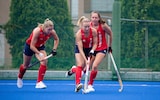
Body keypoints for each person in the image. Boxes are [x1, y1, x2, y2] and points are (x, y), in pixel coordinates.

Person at [17, 18, 59, 89]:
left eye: (52, 29)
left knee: (44, 62)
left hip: (40, 47)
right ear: (45, 27)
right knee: (25, 66)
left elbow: (56, 39)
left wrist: (54, 49)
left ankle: (39, 82)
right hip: (30, 47)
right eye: (49, 29)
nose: (50, 31)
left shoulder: (52, 32)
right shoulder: (37, 31)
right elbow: (32, 46)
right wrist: (39, 54)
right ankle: (20, 77)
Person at [66, 16, 97, 92]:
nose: (87, 28)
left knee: (86, 68)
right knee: (80, 64)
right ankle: (77, 85)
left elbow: (95, 43)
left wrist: (92, 50)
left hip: (90, 49)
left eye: (88, 26)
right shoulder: (79, 34)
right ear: (81, 26)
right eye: (85, 27)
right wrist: (86, 59)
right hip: (80, 49)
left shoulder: (93, 31)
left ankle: (73, 70)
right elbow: (80, 49)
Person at [85, 11, 113, 93]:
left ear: (99, 18)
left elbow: (110, 33)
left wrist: (110, 46)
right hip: (92, 49)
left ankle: (90, 85)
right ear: (90, 18)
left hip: (102, 48)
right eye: (93, 17)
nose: (94, 19)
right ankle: (74, 70)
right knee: (86, 67)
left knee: (94, 65)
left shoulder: (103, 26)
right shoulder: (88, 26)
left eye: (96, 17)